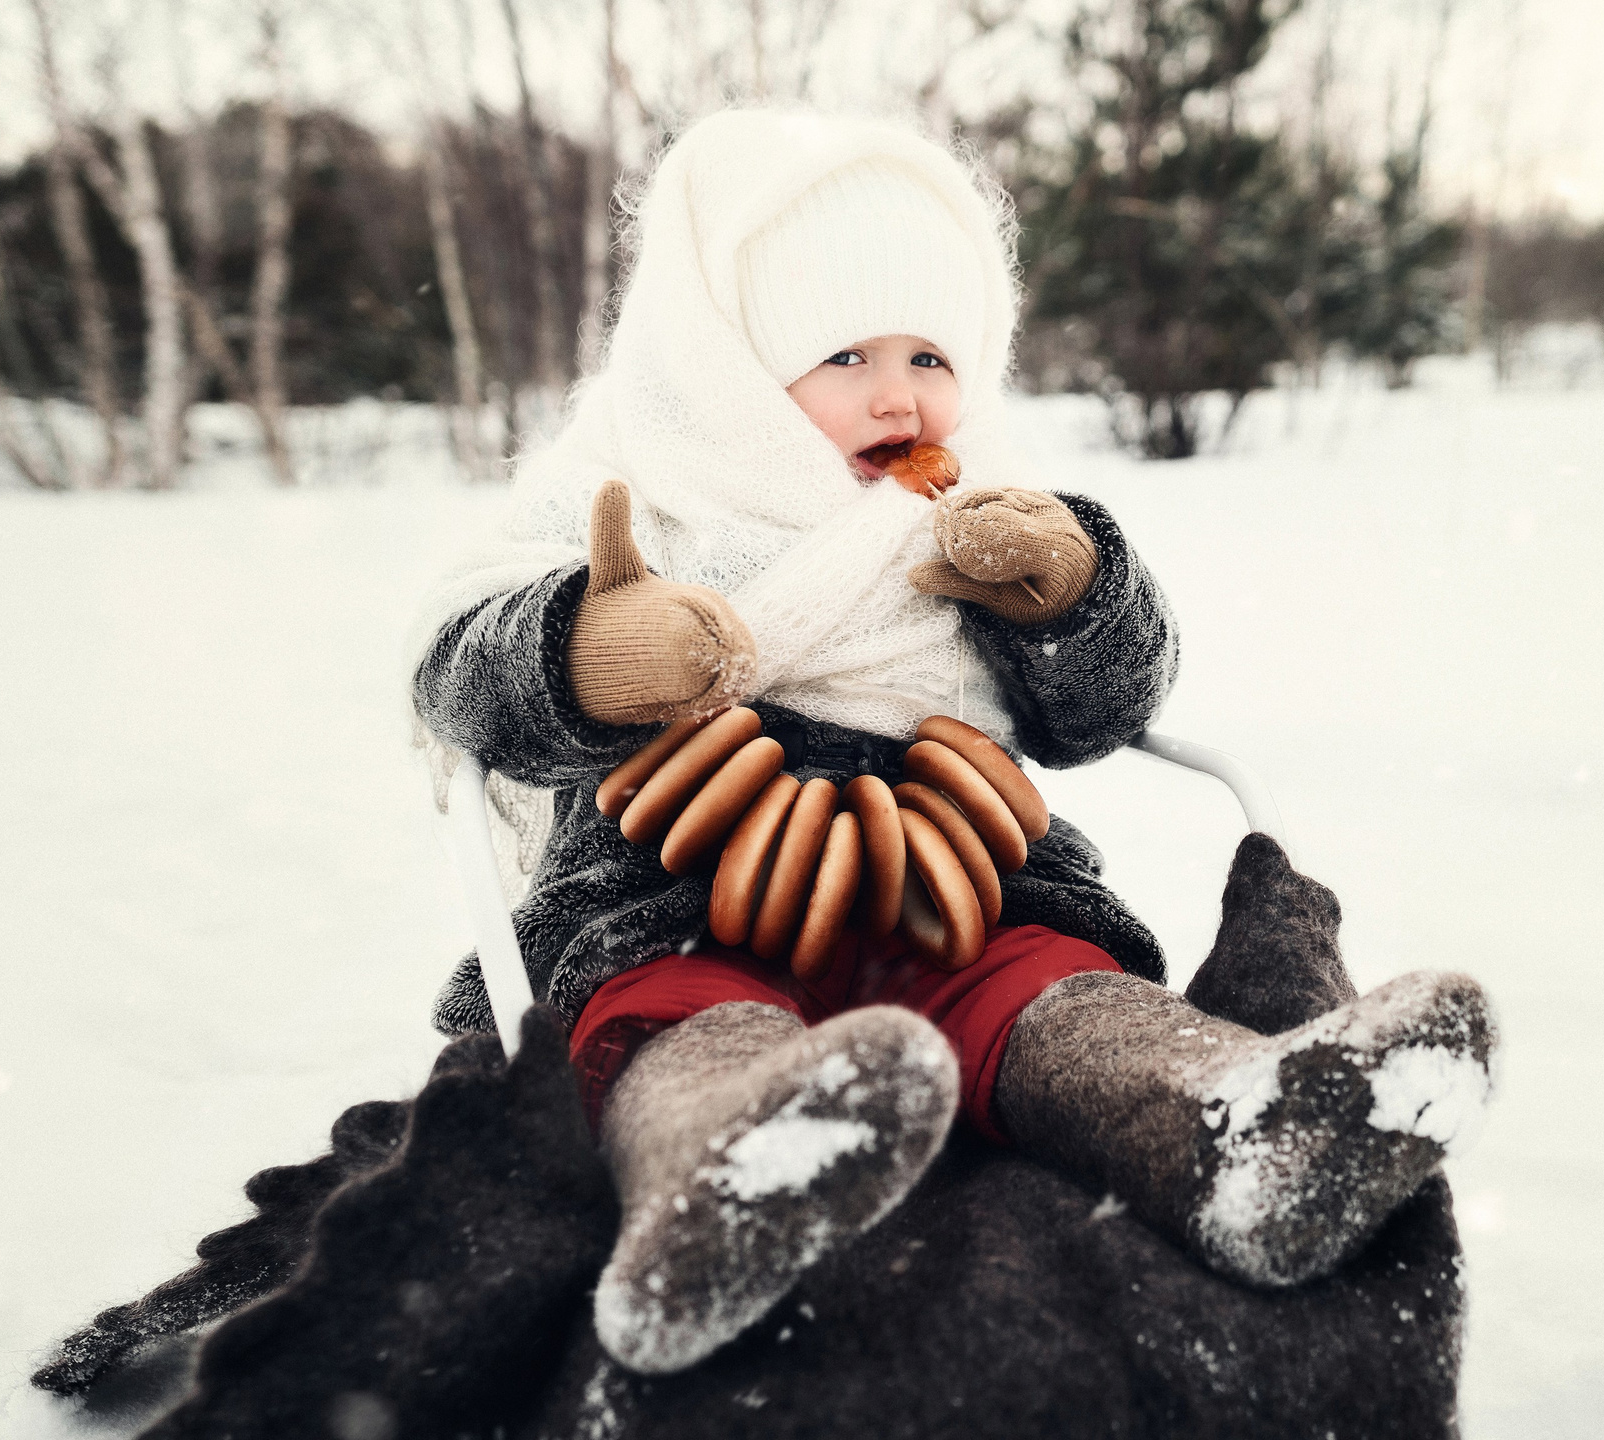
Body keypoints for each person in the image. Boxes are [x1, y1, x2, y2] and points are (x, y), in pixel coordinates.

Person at [409, 109, 1494, 1376]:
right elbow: (455, 677)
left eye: (932, 353)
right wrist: (590, 651)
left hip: (963, 878)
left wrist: (1074, 595)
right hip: (676, 877)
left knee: (1051, 993)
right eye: (846, 353)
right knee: (672, 1016)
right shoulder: (642, 492)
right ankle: (723, 1176)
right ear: (732, 368)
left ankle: (1232, 1126)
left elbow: (1103, 712)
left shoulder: (977, 510)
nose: (900, 391)